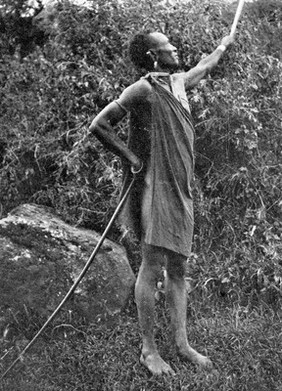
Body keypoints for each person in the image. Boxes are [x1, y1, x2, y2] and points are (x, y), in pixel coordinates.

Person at [89, 29, 234, 376]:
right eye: (168, 45)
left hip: (182, 190)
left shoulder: (179, 82)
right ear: (154, 56)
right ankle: (149, 350)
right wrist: (132, 159)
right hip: (157, 188)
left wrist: (224, 44)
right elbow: (100, 124)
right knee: (152, 267)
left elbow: (205, 65)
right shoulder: (142, 89)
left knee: (179, 270)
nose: (175, 47)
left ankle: (182, 345)